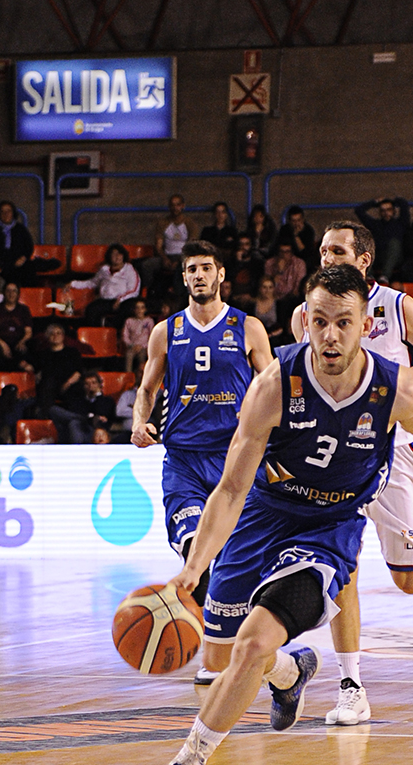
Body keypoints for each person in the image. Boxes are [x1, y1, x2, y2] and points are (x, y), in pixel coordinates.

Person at [134, 264, 413, 765]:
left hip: (328, 527)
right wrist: (194, 568)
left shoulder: (393, 388)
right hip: (263, 514)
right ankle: (290, 675)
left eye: (344, 322)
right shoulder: (274, 385)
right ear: (305, 323)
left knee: (250, 645)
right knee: (219, 656)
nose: (331, 335)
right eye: (320, 322)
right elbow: (233, 487)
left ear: (366, 324)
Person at [289, 221, 413, 726]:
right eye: (322, 250)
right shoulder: (307, 314)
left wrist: (408, 380)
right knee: (342, 569)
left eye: (338, 250)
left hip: (394, 449)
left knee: (408, 583)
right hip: (335, 454)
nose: (327, 256)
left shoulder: (397, 306)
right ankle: (351, 685)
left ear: (364, 261)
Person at [131, 240, 273, 654]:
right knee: (198, 549)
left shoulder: (247, 327)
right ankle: (213, 645)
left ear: (221, 275)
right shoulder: (166, 331)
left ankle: (240, 643)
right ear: (183, 278)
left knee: (235, 558)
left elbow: (273, 386)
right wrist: (141, 421)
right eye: (191, 269)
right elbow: (146, 388)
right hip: (184, 461)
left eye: (206, 268)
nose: (199, 275)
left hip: (237, 459)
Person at [65, 243, 142, 328]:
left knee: (127, 310)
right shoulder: (104, 270)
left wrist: (120, 299)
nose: (117, 257)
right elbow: (93, 283)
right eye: (114, 254)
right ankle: (96, 335)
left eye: (119, 254)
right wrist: (73, 284)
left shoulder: (130, 270)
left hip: (124, 301)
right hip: (106, 300)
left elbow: (134, 290)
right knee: (91, 309)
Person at [142, 194, 199, 301]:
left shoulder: (190, 223)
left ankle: (180, 296)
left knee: (185, 267)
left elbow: (191, 246)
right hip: (166, 256)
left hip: (183, 257)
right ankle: (149, 293)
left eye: (178, 205)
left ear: (183, 206)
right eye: (172, 205)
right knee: (147, 265)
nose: (175, 208)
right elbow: (158, 246)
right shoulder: (163, 223)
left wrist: (179, 260)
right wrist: (164, 258)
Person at [21, 323, 83, 418]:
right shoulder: (42, 354)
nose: (55, 336)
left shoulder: (72, 352)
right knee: (47, 384)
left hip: (69, 384)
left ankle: (75, 420)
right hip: (50, 386)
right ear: (47, 337)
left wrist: (68, 383)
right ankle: (45, 418)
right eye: (52, 334)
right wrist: (25, 365)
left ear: (63, 336)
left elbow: (78, 371)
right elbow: (28, 364)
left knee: (77, 389)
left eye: (58, 333)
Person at [49, 370, 116, 444]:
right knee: (54, 410)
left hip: (94, 431)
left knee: (74, 423)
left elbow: (102, 413)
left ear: (99, 385)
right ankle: (82, 419)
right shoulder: (79, 400)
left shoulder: (107, 400)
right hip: (77, 428)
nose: (90, 386)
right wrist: (89, 417)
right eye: (87, 384)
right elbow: (75, 410)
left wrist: (97, 395)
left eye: (94, 383)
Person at [355, 196, 410, 282]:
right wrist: (374, 202)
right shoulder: (376, 224)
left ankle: (385, 276)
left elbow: (404, 204)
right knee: (365, 245)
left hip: (396, 259)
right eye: (383, 210)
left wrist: (393, 200)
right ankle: (369, 275)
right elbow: (359, 210)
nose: (386, 213)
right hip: (379, 258)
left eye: (389, 210)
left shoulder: (401, 223)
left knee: (394, 243)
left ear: (394, 211)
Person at [0, 201, 36, 287]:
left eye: (8, 211)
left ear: (13, 213)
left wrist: (23, 257)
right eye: (2, 211)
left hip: (16, 260)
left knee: (29, 269)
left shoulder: (20, 229)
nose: (6, 214)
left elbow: (28, 246)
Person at [0, 282, 33, 376]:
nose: (11, 294)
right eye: (8, 291)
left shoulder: (24, 310)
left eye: (14, 291)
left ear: (18, 294)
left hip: (18, 341)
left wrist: (22, 341)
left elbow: (28, 332)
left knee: (24, 350)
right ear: (4, 293)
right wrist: (3, 345)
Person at [275, 205, 320, 272]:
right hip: (287, 256)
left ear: (302, 219)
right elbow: (281, 246)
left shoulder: (309, 230)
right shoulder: (284, 229)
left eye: (298, 220)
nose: (296, 224)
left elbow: (305, 252)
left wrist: (296, 235)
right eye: (293, 221)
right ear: (289, 221)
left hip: (303, 258)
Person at [120, 298, 154, 378]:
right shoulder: (129, 321)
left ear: (145, 309)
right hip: (132, 346)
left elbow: (151, 337)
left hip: (144, 347)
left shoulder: (149, 321)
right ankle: (128, 378)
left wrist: (142, 346)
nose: (139, 310)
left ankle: (141, 378)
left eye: (142, 307)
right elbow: (125, 336)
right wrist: (131, 345)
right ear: (134, 310)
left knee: (142, 355)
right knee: (129, 355)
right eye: (137, 308)